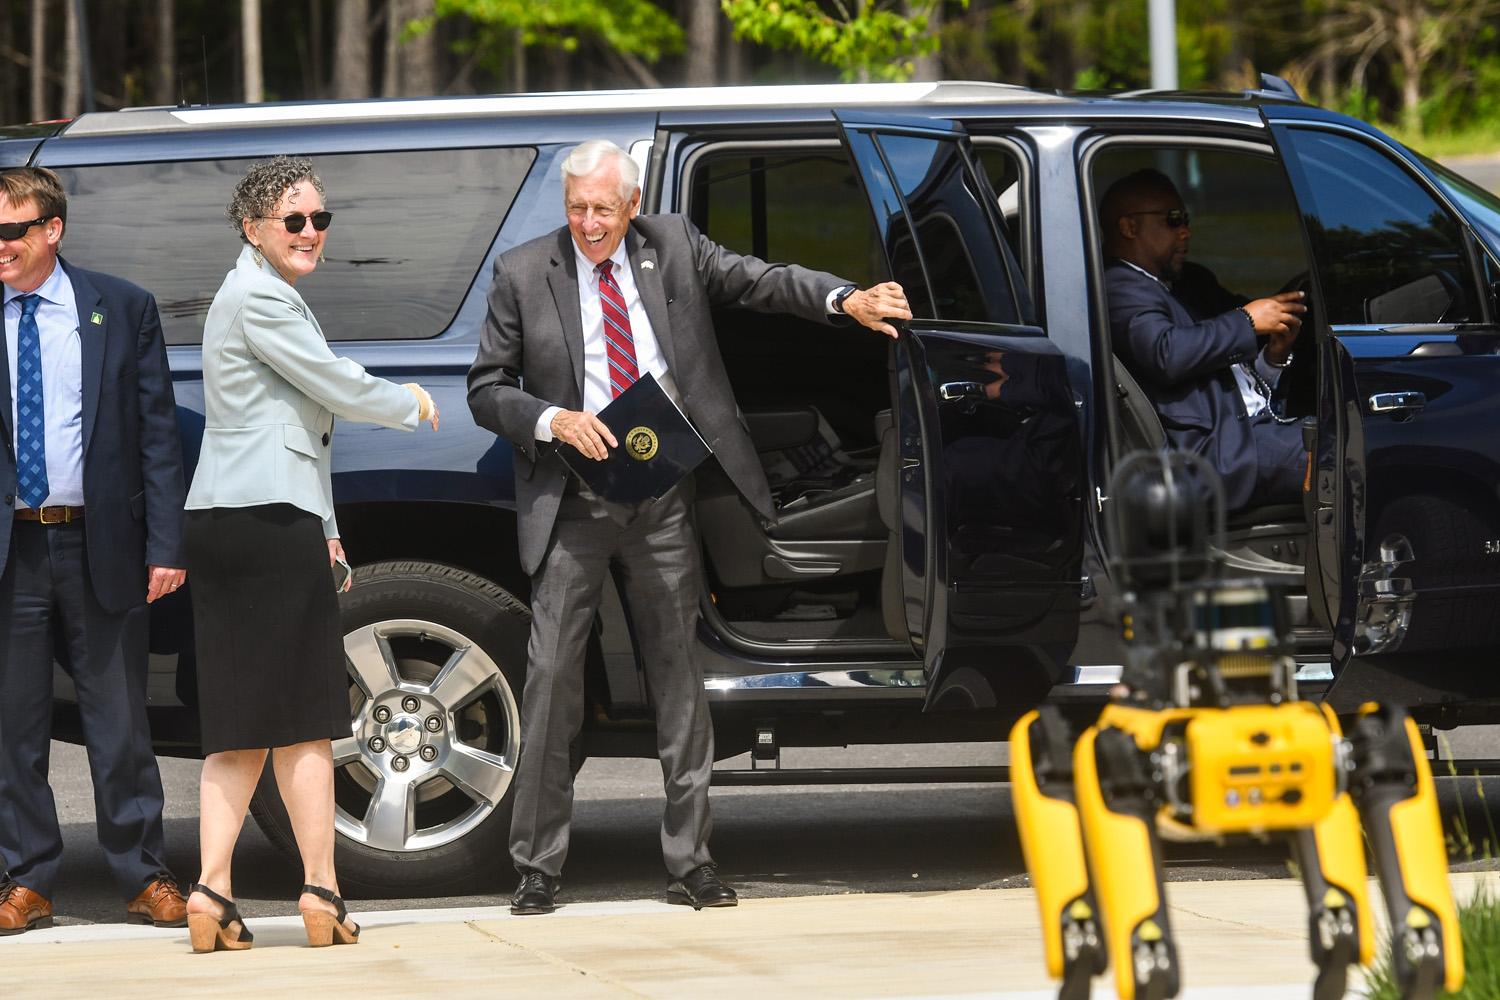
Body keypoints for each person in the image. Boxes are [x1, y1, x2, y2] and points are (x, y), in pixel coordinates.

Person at [467, 139, 910, 916]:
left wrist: (846, 300)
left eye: (603, 208)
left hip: (660, 491)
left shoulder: (671, 246)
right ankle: (537, 865)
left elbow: (764, 282)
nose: (589, 222)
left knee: (679, 679)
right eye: (576, 208)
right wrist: (552, 420)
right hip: (573, 500)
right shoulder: (522, 271)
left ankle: (691, 861)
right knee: (550, 681)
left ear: (631, 205)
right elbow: (485, 388)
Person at [181, 156, 439, 952]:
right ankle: (321, 890)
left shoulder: (252, 292)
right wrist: (409, 403)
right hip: (263, 523)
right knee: (302, 722)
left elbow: (296, 429)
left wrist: (323, 524)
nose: (310, 233)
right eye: (293, 220)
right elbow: (330, 385)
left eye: (320, 219)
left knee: (242, 724)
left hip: (238, 517)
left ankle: (211, 892)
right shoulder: (261, 296)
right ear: (253, 227)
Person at [0, 167, 189, 934]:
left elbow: (157, 437)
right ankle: (28, 881)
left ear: (53, 229)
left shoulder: (121, 307)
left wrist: (166, 543)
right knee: (13, 730)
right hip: (12, 552)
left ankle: (144, 875)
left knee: (120, 727)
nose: (0, 245)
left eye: (12, 229)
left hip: (100, 544)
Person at [1101, 168, 1308, 512]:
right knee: (1344, 456)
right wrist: (1246, 320)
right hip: (1219, 453)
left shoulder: (1187, 283)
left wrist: (1272, 358)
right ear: (1129, 227)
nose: (1186, 231)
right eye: (1173, 219)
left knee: (1349, 437)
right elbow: (1165, 352)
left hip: (1250, 433)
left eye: (1186, 219)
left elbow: (1219, 362)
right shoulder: (1119, 286)